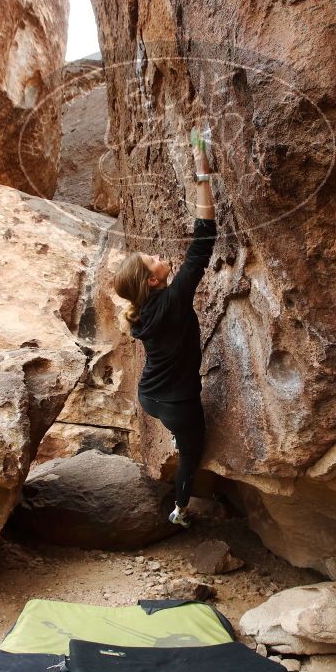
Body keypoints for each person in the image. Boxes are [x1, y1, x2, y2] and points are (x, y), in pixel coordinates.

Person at [113, 131, 216, 528]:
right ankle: (181, 510)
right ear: (152, 281)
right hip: (175, 403)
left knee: (182, 432)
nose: (159, 256)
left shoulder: (145, 312)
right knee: (193, 451)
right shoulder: (172, 301)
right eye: (152, 259)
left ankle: (175, 434)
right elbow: (203, 237)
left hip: (151, 396)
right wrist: (201, 171)